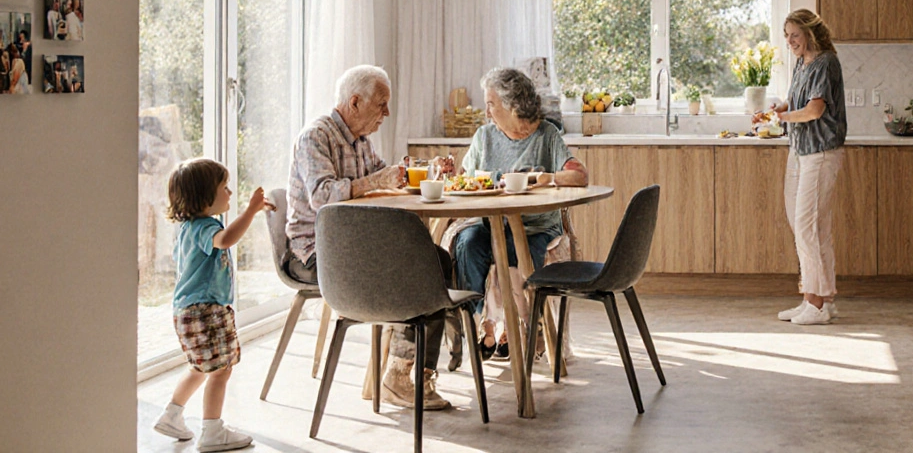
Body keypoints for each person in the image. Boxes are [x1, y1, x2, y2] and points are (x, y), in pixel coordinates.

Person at [286, 64, 455, 410]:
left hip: (356, 244)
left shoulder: (360, 141)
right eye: (381, 104)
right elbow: (321, 196)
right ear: (354, 102)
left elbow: (383, 175)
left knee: (436, 260)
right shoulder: (314, 137)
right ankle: (396, 375)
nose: (387, 113)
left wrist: (425, 167)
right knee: (424, 265)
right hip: (320, 252)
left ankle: (411, 371)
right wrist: (375, 182)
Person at [451, 67, 588, 358]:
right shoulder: (484, 136)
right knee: (469, 243)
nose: (486, 112)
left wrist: (545, 177)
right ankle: (479, 323)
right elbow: (462, 178)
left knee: (515, 248)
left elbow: (579, 175)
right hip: (489, 222)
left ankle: (526, 326)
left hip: (535, 226)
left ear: (513, 107)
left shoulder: (546, 134)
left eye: (491, 104)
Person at [151, 158, 270, 450]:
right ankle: (212, 431)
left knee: (200, 367)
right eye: (224, 187)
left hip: (188, 311)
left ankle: (172, 415)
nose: (230, 193)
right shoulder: (205, 228)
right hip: (206, 311)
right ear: (204, 196)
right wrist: (251, 211)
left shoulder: (188, 227)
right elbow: (227, 239)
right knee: (221, 369)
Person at [766, 9, 848, 326]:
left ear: (811, 34)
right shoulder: (803, 63)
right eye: (786, 35)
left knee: (807, 226)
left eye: (795, 35)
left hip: (821, 151)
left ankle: (815, 303)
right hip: (800, 150)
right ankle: (819, 300)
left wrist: (782, 119)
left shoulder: (826, 62)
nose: (789, 41)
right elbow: (794, 101)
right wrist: (778, 109)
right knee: (813, 226)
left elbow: (814, 110)